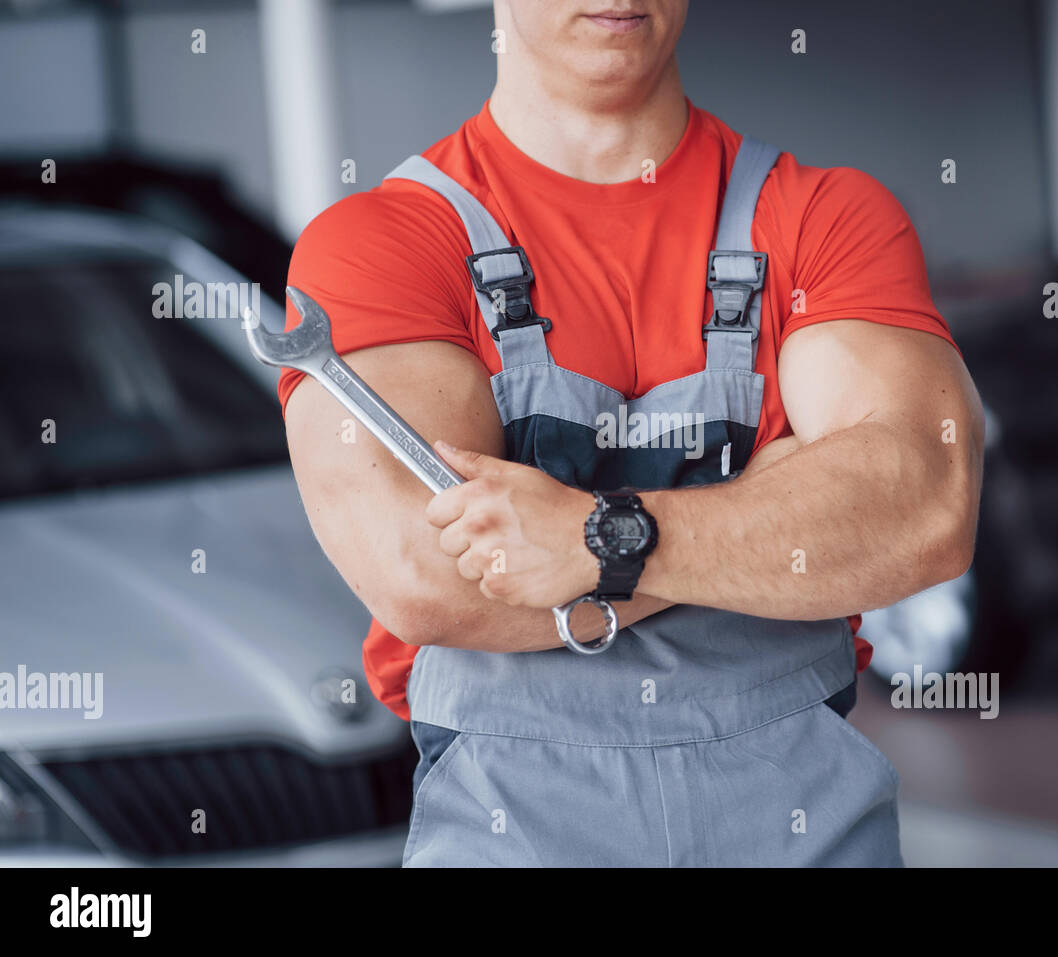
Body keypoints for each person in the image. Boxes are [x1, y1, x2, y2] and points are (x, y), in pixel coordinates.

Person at [278, 0, 983, 866]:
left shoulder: (826, 218)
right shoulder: (378, 246)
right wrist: (768, 509)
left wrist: (593, 541)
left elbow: (924, 508)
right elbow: (427, 574)